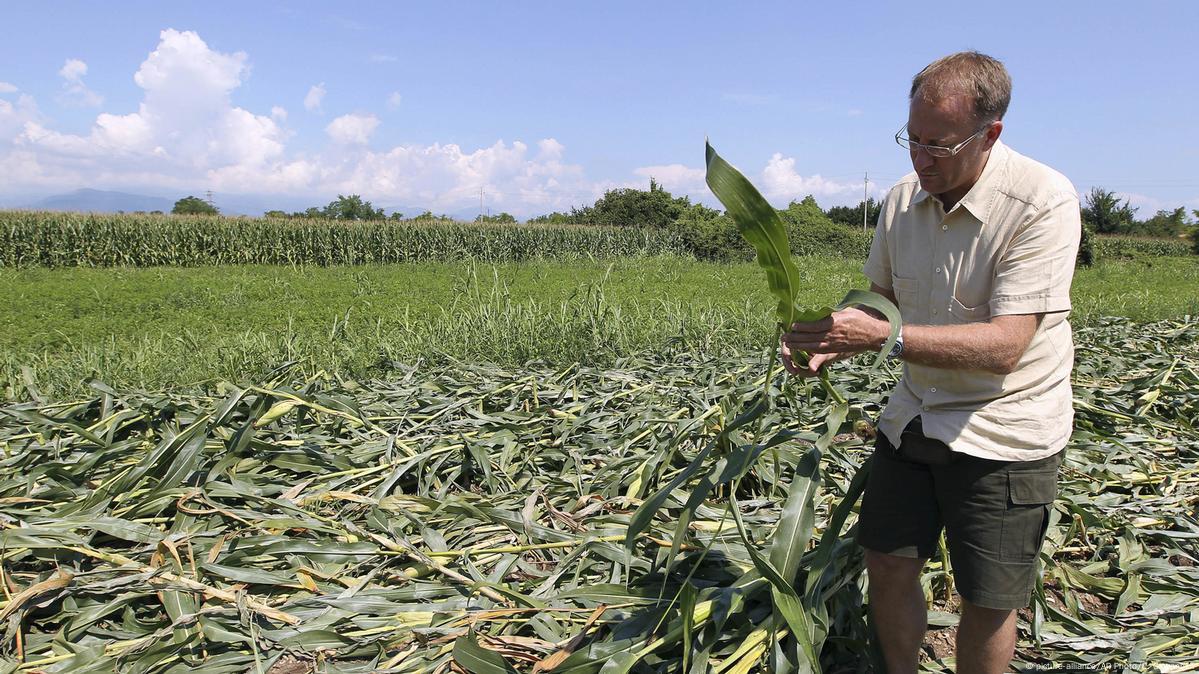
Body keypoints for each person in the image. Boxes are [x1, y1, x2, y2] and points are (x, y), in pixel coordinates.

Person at [780, 51, 1080, 674]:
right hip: (913, 417)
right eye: (910, 140)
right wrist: (831, 336)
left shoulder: (1042, 202)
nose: (920, 160)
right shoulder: (900, 200)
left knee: (987, 598)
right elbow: (881, 301)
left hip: (1003, 429)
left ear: (989, 134)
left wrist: (881, 341)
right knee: (887, 562)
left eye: (938, 146)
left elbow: (1005, 346)